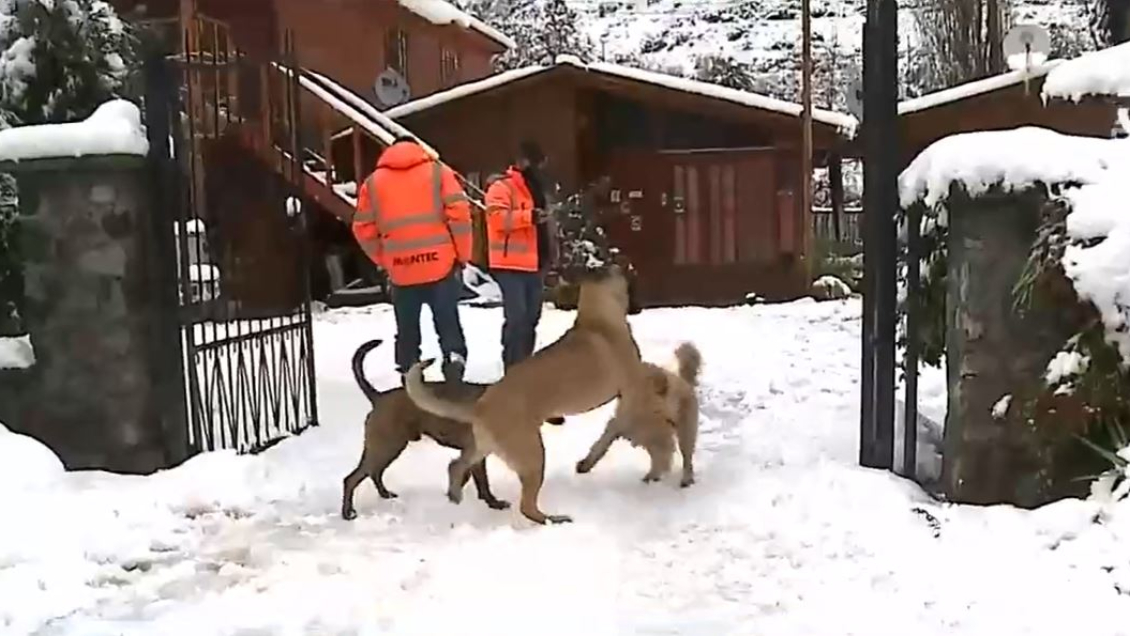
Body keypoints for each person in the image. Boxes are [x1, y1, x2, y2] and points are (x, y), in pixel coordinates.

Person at [352, 134, 473, 383]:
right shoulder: (439, 172)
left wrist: (385, 259)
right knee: (448, 323)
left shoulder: (373, 183)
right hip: (441, 266)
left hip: (401, 270)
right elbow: (460, 216)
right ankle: (453, 366)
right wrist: (462, 256)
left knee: (407, 330)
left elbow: (362, 228)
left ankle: (409, 373)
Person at [484, 141, 558, 371]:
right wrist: (529, 217)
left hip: (535, 264)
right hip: (510, 265)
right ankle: (512, 368)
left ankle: (524, 367)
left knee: (531, 320)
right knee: (517, 319)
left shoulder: (538, 189)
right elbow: (496, 220)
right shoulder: (502, 188)